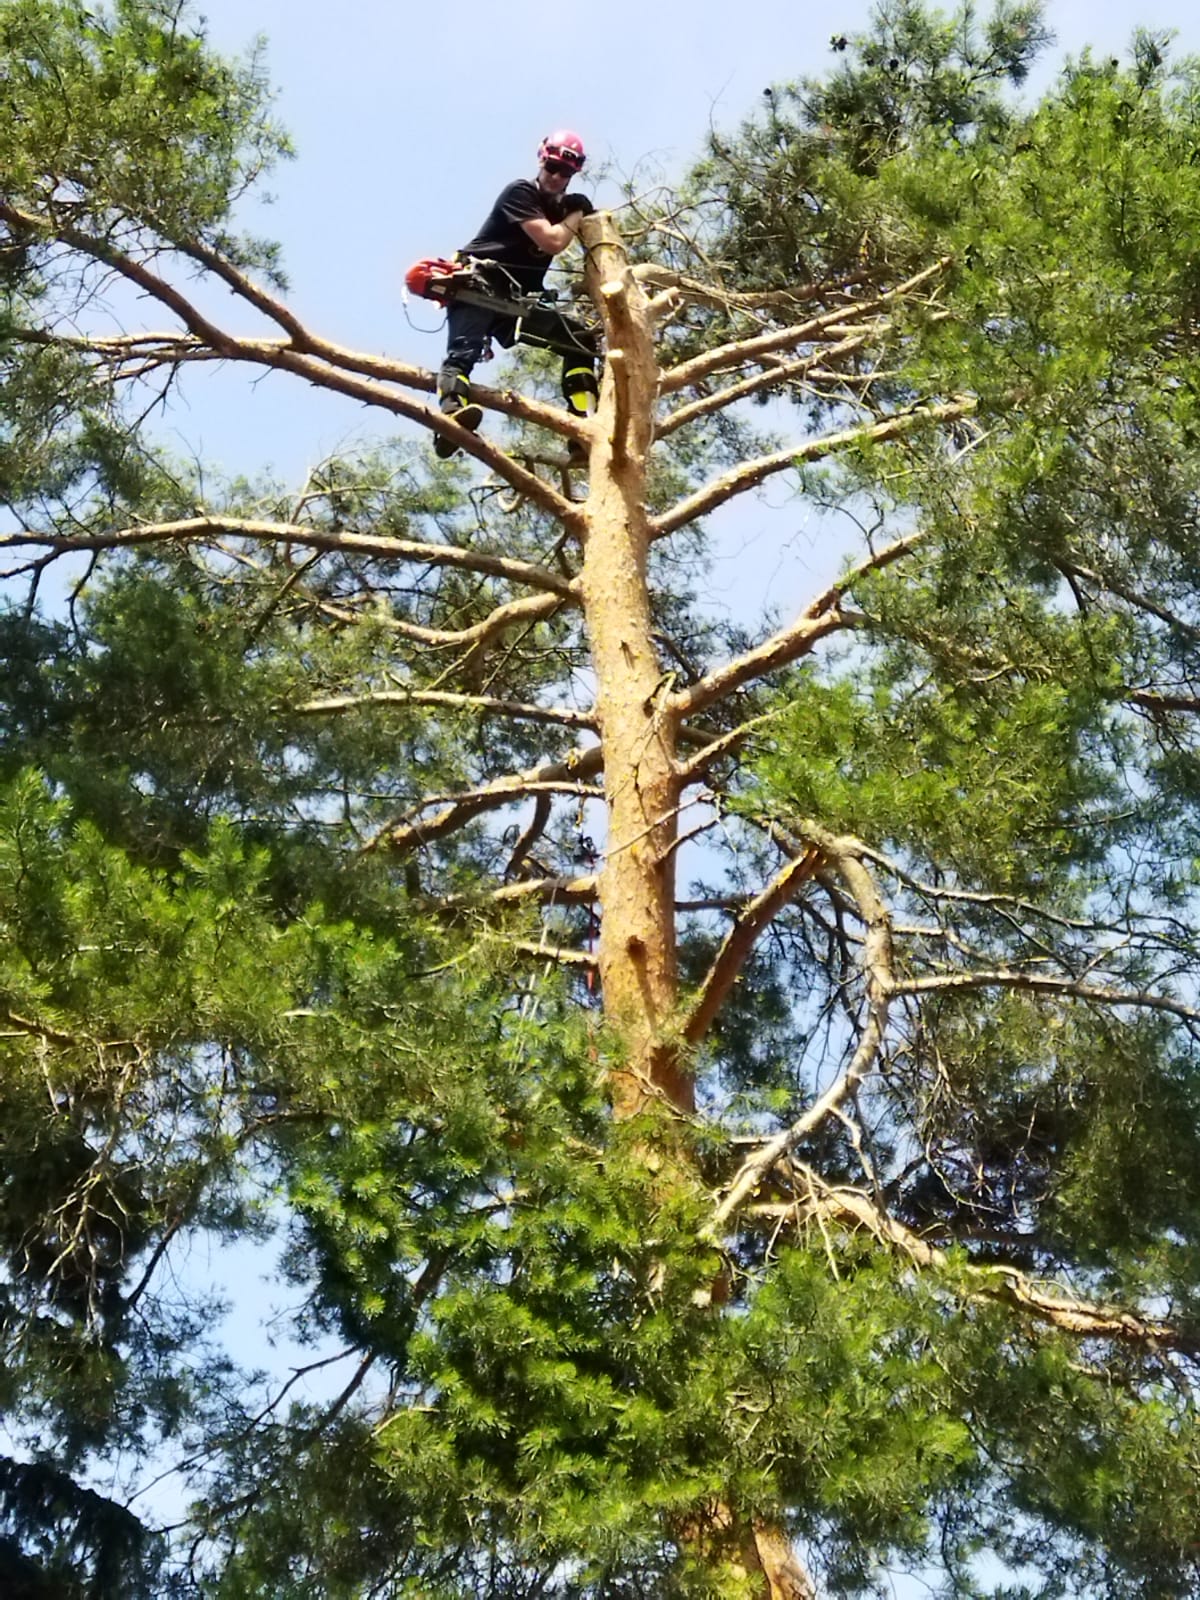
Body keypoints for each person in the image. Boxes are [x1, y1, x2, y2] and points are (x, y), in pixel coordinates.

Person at [434, 131, 599, 459]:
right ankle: (450, 421)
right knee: (462, 353)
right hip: (478, 286)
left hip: (515, 302)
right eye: (552, 167)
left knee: (580, 338)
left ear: (574, 174)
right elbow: (552, 241)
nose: (555, 176)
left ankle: (583, 426)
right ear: (541, 159)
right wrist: (577, 215)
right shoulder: (521, 192)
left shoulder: (562, 208)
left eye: (564, 172)